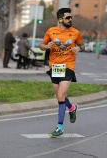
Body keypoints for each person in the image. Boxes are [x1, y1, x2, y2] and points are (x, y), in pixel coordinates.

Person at [39, 8, 84, 138]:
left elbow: (82, 45)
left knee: (61, 94)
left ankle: (59, 127)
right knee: (60, 96)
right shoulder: (51, 31)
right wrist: (46, 47)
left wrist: (78, 48)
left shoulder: (75, 33)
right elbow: (42, 45)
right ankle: (71, 108)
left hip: (68, 66)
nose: (71, 19)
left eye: (71, 17)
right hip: (54, 67)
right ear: (60, 19)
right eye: (68, 17)